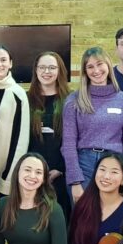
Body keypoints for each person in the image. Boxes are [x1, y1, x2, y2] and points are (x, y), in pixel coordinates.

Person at [61, 47, 123, 205]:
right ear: (84, 71)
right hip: (84, 166)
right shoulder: (74, 100)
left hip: (115, 166)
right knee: (84, 221)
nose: (96, 70)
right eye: (90, 67)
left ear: (108, 65)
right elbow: (68, 144)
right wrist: (75, 182)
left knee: (113, 222)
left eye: (99, 64)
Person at [26, 51, 72, 218]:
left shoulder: (71, 100)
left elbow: (74, 140)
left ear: (59, 71)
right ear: (36, 71)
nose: (47, 72)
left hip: (61, 174)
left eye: (52, 67)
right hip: (32, 175)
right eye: (42, 67)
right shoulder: (26, 100)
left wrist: (60, 168)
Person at [0, 44, 30, 196]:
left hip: (5, 166)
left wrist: (8, 176)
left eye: (3, 60)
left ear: (10, 63)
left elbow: (21, 139)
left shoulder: (18, 94)